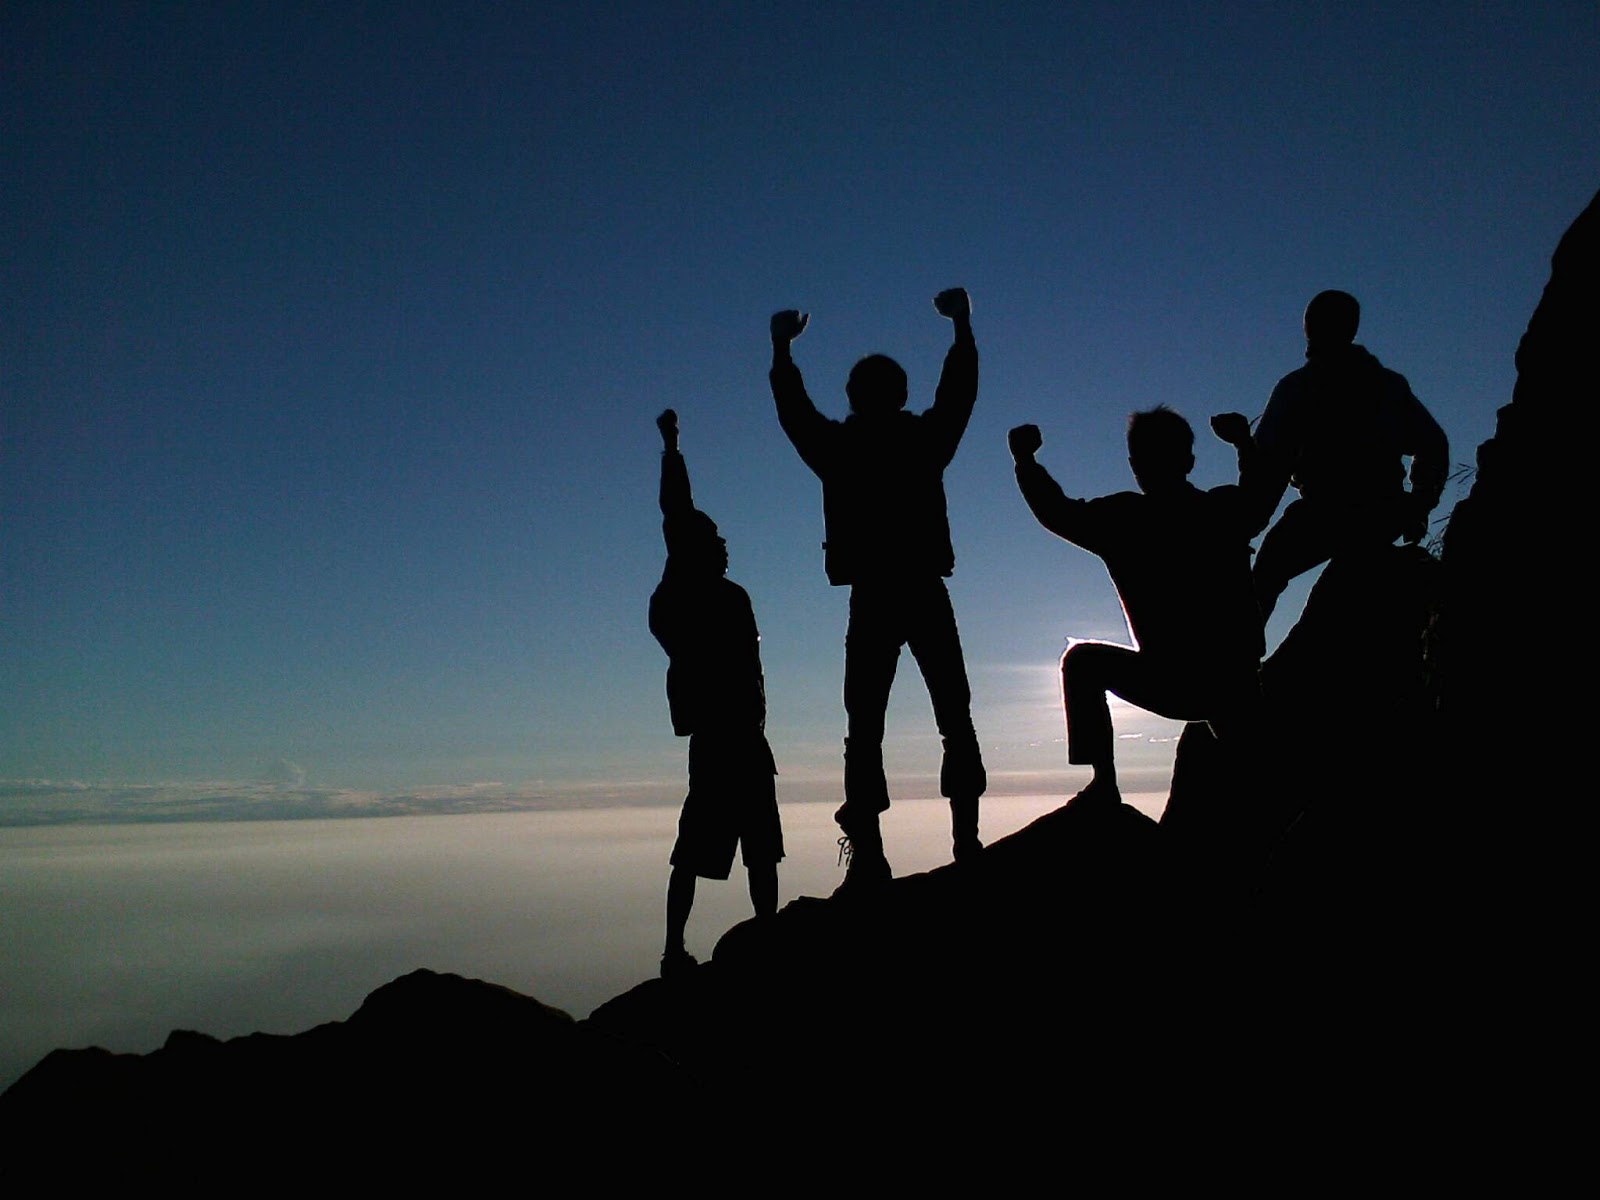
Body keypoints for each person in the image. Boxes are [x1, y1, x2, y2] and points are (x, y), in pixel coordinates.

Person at [769, 289, 986, 888]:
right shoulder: (923, 442)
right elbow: (959, 395)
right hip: (921, 590)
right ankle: (965, 841)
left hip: (872, 599)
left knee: (865, 729)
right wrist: (962, 328)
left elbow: (793, 412)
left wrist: (782, 349)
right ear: (902, 394)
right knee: (953, 717)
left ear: (853, 397)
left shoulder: (839, 449)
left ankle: (870, 855)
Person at [1009, 407, 1279, 807]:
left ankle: (1104, 782)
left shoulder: (1124, 518)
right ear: (1188, 461)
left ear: (1135, 466)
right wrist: (1243, 443)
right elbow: (1259, 494)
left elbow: (1057, 511)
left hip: (1179, 680)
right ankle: (1107, 785)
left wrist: (1026, 462)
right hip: (1232, 683)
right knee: (1256, 774)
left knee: (1083, 662)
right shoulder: (1222, 510)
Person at [649, 409, 783, 976]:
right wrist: (673, 447)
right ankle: (675, 948)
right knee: (705, 846)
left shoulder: (733, 596)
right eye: (714, 539)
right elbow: (676, 512)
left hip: (744, 736)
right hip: (720, 737)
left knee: (759, 845)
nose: (723, 542)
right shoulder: (691, 591)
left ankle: (763, 936)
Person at [1251, 290, 1449, 621]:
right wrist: (1418, 503)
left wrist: (1419, 503)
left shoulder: (1299, 388)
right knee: (1272, 574)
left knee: (1266, 575)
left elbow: (1270, 464)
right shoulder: (1386, 385)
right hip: (1380, 511)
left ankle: (1238, 660)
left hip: (1334, 510)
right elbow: (1432, 444)